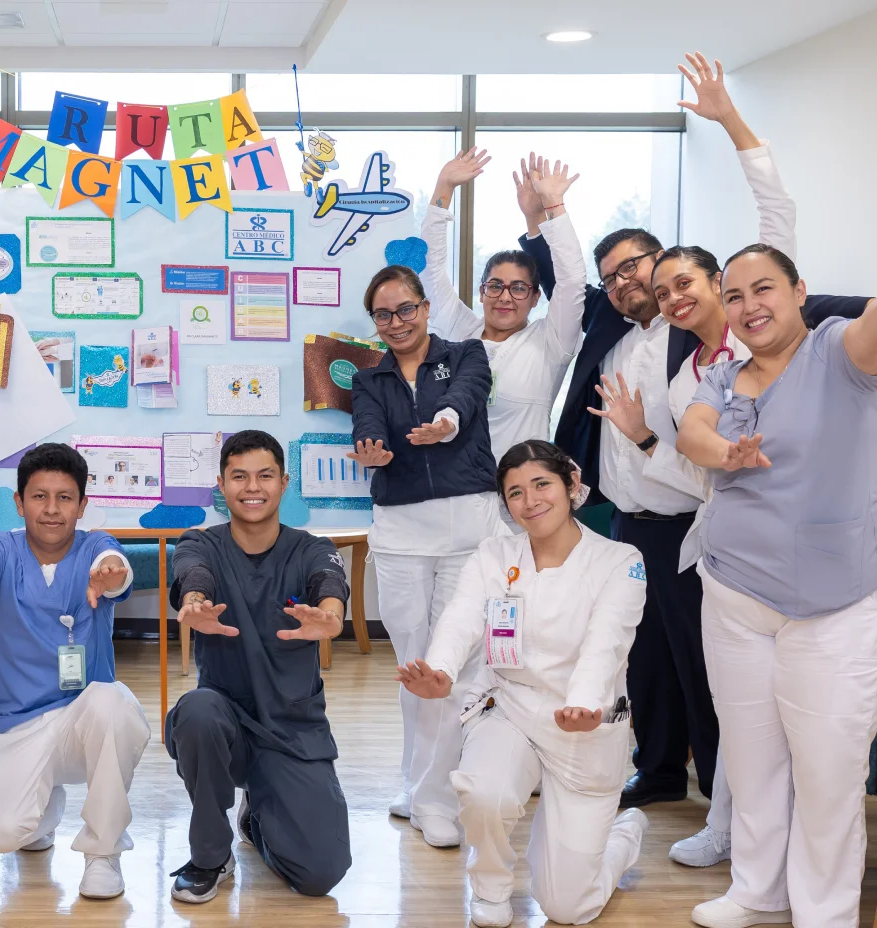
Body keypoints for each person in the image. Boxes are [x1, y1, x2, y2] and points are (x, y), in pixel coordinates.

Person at [528, 52, 877, 811]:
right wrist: (544, 220)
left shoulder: (707, 349)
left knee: (705, 669)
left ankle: (725, 802)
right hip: (624, 522)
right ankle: (657, 773)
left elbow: (776, 226)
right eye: (621, 278)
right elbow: (562, 285)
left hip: (695, 524)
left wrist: (728, 121)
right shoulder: (613, 333)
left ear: (696, 278)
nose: (638, 288)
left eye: (655, 276)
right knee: (643, 659)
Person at [675, 224, 877, 928]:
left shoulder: (835, 350)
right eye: (734, 295)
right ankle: (755, 889)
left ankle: (823, 912)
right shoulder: (722, 373)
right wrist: (725, 455)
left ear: (799, 293)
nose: (748, 306)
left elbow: (872, 333)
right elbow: (693, 434)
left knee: (828, 767)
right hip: (735, 593)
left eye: (763, 288)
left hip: (841, 599)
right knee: (751, 754)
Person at [399, 440, 649, 927]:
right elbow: (462, 616)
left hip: (586, 724)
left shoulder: (620, 560)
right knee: (484, 791)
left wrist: (583, 705)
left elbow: (607, 643)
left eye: (542, 485)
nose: (530, 501)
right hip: (509, 706)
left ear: (571, 486)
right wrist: (442, 671)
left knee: (568, 907)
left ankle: (623, 836)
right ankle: (490, 889)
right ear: (505, 503)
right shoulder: (494, 555)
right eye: (515, 492)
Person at [0, 444, 148, 900]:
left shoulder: (96, 546)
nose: (52, 510)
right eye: (39, 497)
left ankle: (103, 853)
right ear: (19, 502)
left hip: (81, 722)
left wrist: (114, 574)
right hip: (17, 724)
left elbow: (115, 566)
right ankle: (42, 809)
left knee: (114, 702)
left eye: (65, 498)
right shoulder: (4, 549)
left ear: (82, 505)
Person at [345, 261, 502, 847]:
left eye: (405, 309)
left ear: (425, 307)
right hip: (401, 531)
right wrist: (373, 452)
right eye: (383, 314)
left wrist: (445, 421)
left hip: (467, 529)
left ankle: (438, 797)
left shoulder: (466, 354)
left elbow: (468, 396)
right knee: (413, 665)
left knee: (452, 664)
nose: (396, 322)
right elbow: (367, 425)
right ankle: (416, 784)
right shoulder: (369, 378)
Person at [165, 430, 353, 903]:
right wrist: (195, 602)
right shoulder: (201, 542)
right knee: (197, 710)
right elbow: (193, 573)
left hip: (292, 731)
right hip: (226, 725)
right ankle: (211, 855)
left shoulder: (311, 547)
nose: (253, 487)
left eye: (265, 475)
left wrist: (330, 615)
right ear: (221, 485)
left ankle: (258, 817)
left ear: (284, 482)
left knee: (320, 875)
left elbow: (328, 579)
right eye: (240, 476)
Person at [423, 149, 587, 461]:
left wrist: (552, 208)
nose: (505, 297)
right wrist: (444, 186)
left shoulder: (550, 342)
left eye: (519, 288)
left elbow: (572, 281)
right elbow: (430, 272)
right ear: (482, 291)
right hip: (454, 493)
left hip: (518, 499)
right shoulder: (461, 332)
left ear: (536, 297)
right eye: (495, 285)